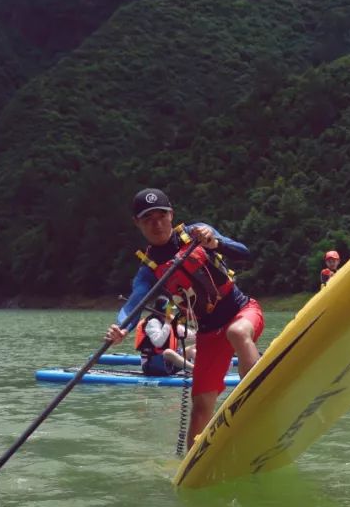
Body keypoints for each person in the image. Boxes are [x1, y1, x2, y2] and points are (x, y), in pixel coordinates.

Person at [106, 188, 264, 451]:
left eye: (161, 216)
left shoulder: (196, 233)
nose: (157, 224)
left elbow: (244, 252)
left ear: (172, 215)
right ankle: (191, 464)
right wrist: (121, 329)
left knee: (236, 333)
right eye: (148, 219)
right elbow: (133, 304)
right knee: (200, 407)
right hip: (208, 332)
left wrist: (214, 242)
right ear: (138, 224)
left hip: (243, 311)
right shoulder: (149, 271)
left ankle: (256, 399)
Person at [134, 296, 195, 376]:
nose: (172, 312)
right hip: (152, 365)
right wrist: (167, 323)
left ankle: (203, 368)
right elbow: (159, 343)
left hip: (169, 364)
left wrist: (200, 334)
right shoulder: (152, 323)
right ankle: (195, 370)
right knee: (168, 352)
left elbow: (190, 335)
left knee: (193, 348)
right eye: (170, 310)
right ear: (163, 310)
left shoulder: (171, 321)